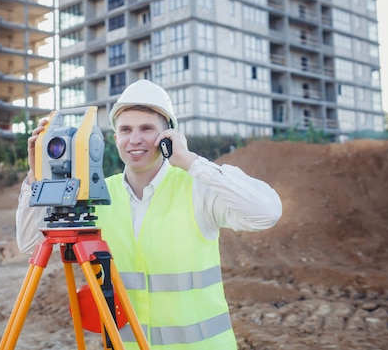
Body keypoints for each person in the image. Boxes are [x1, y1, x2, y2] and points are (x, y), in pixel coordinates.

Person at [15, 79, 282, 349]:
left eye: (147, 129)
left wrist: (190, 161)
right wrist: (36, 175)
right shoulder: (94, 196)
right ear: (115, 138)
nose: (135, 139)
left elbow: (267, 212)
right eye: (126, 129)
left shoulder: (198, 188)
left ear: (169, 137)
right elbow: (28, 244)